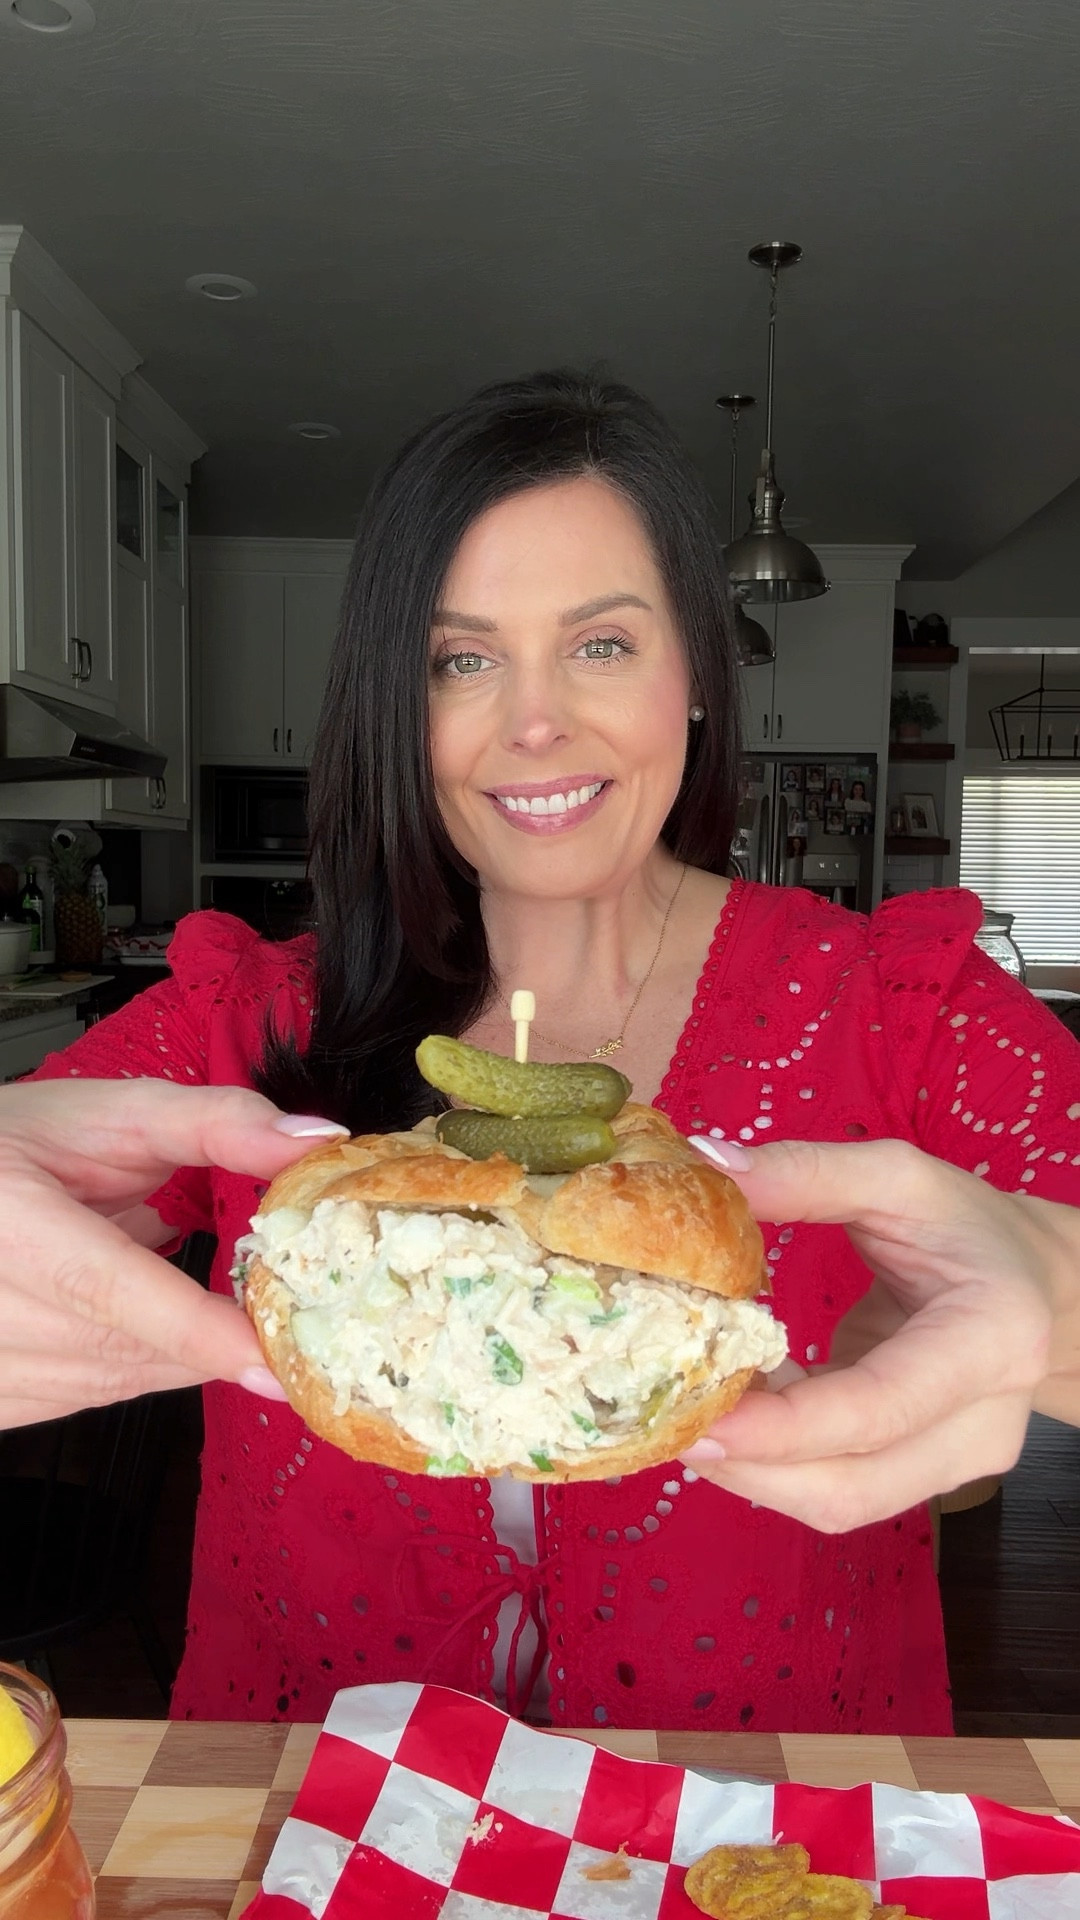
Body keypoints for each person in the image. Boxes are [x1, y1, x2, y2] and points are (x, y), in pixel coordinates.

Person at [26, 369, 1080, 1736]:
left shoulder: (902, 1006)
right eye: (461, 659)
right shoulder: (249, 1018)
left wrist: (1050, 1302)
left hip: (761, 1811)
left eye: (600, 644)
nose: (534, 721)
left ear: (696, 673)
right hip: (307, 1803)